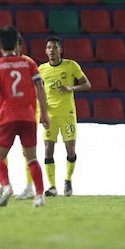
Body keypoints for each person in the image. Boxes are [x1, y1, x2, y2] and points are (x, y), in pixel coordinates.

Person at [0, 26, 50, 208]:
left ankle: (6, 186)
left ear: (0, 45)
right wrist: (44, 113)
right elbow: (40, 89)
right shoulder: (29, 63)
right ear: (17, 43)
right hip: (29, 116)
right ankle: (39, 196)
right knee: (32, 158)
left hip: (7, 117)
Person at [35, 36, 91, 198]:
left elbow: (87, 84)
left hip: (67, 114)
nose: (51, 50)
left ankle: (67, 179)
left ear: (60, 49)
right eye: (48, 48)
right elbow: (38, 92)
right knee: (47, 150)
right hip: (50, 114)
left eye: (54, 47)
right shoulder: (42, 69)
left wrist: (71, 87)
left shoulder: (71, 65)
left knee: (70, 150)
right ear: (45, 51)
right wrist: (40, 112)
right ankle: (52, 186)